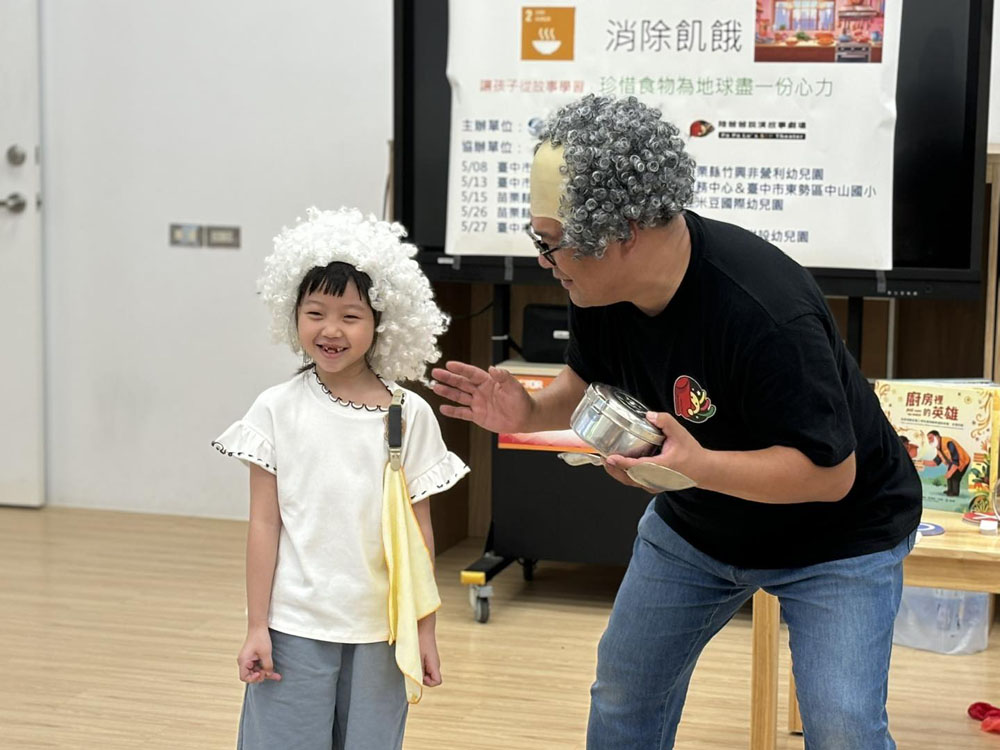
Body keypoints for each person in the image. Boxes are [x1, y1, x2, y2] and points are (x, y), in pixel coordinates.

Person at [432, 95, 921, 750]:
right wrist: (530, 410)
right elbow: (586, 383)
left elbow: (830, 476)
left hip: (839, 539)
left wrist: (696, 465)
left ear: (622, 233)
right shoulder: (598, 288)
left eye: (551, 244)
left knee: (843, 728)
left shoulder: (765, 312)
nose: (544, 261)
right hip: (698, 527)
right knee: (624, 694)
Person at [213, 207, 469, 750]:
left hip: (383, 630)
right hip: (294, 626)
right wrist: (257, 626)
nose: (330, 330)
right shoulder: (275, 409)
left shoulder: (409, 415)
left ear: (382, 322)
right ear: (293, 315)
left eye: (351, 316)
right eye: (315, 312)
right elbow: (264, 525)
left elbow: (420, 536)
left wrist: (424, 629)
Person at [923, 430, 970, 497]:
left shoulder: (948, 443)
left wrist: (950, 472)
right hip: (953, 462)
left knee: (955, 476)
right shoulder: (939, 448)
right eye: (928, 439)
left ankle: (955, 492)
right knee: (949, 475)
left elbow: (956, 460)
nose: (929, 441)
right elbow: (935, 462)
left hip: (962, 461)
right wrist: (923, 462)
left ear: (937, 437)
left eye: (930, 438)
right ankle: (950, 490)